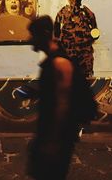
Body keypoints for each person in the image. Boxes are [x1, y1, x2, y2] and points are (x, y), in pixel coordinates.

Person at [27, 15, 81, 180]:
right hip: (49, 136)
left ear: (44, 34)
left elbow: (63, 103)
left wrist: (52, 141)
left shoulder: (59, 62)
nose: (30, 39)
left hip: (57, 138)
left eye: (33, 35)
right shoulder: (51, 61)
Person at [54, 0, 99, 78]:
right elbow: (56, 33)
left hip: (84, 55)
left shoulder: (87, 13)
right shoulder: (62, 12)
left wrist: (87, 41)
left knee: (86, 80)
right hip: (68, 53)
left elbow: (95, 33)